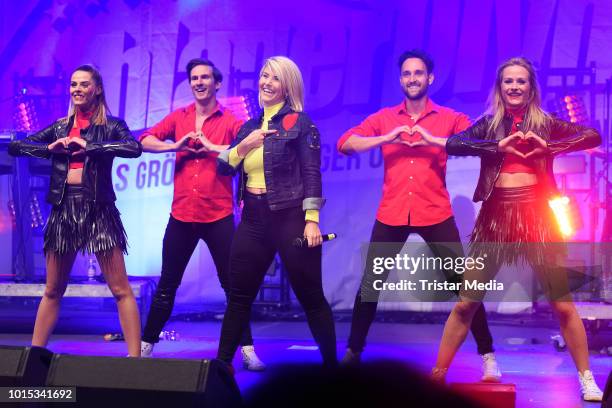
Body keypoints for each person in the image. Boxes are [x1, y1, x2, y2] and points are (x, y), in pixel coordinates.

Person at [420, 57, 603, 402]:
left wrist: (550, 146)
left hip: (537, 216)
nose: (514, 87)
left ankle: (587, 377)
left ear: (531, 87)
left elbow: (592, 135)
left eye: (521, 81)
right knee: (465, 304)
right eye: (508, 81)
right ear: (500, 87)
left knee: (562, 305)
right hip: (495, 217)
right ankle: (437, 376)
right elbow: (454, 144)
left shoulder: (545, 123)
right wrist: (496, 146)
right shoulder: (489, 125)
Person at [336, 49, 500, 382]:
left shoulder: (447, 116)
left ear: (430, 78)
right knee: (370, 286)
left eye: (419, 73)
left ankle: (488, 356)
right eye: (407, 74)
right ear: (401, 80)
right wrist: (385, 137)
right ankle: (353, 354)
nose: (413, 78)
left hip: (434, 211)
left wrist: (433, 139)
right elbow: (344, 143)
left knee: (465, 287)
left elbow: (476, 142)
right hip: (392, 212)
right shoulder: (385, 117)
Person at [138, 58, 265, 370]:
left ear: (216, 83)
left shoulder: (232, 121)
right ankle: (144, 347)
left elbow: (245, 150)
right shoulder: (178, 117)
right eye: (194, 78)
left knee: (233, 287)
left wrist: (208, 145)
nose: (198, 82)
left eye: (205, 77)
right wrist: (175, 146)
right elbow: (144, 140)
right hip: (182, 214)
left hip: (218, 215)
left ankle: (247, 350)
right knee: (168, 284)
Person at [8, 64, 142, 356]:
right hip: (63, 208)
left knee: (120, 289)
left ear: (97, 88)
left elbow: (133, 148)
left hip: (99, 209)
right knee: (53, 289)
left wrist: (90, 145)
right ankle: (34, 358)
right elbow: (17, 147)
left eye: (83, 84)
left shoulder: (111, 125)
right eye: (73, 84)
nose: (77, 89)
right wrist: (49, 149)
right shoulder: (60, 125)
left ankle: (136, 362)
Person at [216, 56, 337, 368]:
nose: (266, 83)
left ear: (287, 87)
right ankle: (220, 369)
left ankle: (333, 370)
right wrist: (245, 146)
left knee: (311, 297)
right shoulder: (249, 127)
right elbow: (222, 167)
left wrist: (312, 222)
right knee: (239, 298)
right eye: (264, 76)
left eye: (275, 78)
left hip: (291, 218)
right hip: (253, 219)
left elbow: (312, 174)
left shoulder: (299, 122)